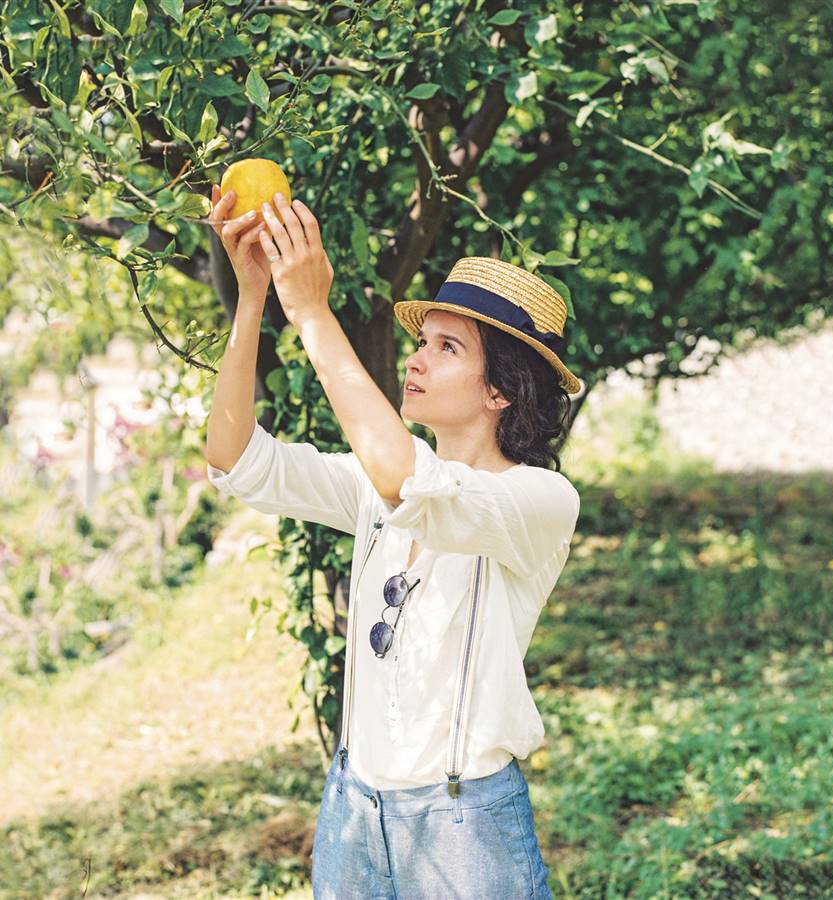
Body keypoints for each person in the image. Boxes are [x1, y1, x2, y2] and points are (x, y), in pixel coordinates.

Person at [205, 183, 583, 899]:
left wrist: (312, 312)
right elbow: (235, 460)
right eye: (420, 342)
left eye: (446, 348)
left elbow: (410, 485)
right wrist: (254, 298)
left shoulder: (539, 500)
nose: (416, 360)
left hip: (462, 822)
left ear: (500, 388)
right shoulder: (376, 481)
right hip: (353, 803)